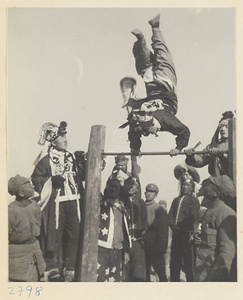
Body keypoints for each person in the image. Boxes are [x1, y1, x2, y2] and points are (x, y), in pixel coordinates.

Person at [120, 14, 190, 157]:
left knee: (152, 62)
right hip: (163, 87)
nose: (153, 133)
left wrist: (134, 148)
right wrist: (179, 147)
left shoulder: (150, 121)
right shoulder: (163, 119)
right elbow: (184, 131)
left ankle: (147, 36)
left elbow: (184, 131)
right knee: (154, 61)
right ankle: (148, 34)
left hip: (158, 87)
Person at [31, 121, 85, 282]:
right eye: (61, 136)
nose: (65, 138)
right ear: (53, 140)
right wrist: (51, 180)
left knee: (74, 233)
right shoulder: (45, 160)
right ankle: (53, 268)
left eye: (65, 134)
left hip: (73, 200)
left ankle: (70, 268)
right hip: (56, 203)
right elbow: (35, 179)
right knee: (54, 234)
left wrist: (83, 163)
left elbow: (79, 176)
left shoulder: (71, 156)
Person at [193, 175, 236, 282]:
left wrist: (215, 279)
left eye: (210, 184)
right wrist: (198, 240)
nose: (206, 186)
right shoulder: (210, 210)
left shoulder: (225, 213)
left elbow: (227, 252)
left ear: (217, 193)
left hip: (212, 275)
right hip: (202, 271)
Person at [8, 175, 46, 282]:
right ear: (21, 193)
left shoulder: (34, 206)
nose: (32, 186)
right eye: (28, 185)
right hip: (18, 262)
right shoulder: (10, 211)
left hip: (36, 257)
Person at [97, 178, 130, 282]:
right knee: (101, 278)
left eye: (116, 187)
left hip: (118, 249)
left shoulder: (123, 206)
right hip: (102, 247)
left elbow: (125, 230)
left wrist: (126, 251)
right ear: (106, 188)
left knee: (115, 280)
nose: (114, 189)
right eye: (111, 186)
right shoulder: (101, 203)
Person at [169, 178, 200, 282]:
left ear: (192, 188)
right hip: (176, 235)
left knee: (189, 263)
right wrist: (174, 227)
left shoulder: (194, 200)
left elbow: (193, 217)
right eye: (184, 185)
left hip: (187, 235)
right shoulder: (176, 200)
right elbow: (170, 216)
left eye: (188, 185)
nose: (185, 187)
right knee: (174, 262)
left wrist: (181, 228)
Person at [185, 111, 234, 177]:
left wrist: (221, 155)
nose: (222, 129)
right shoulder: (214, 145)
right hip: (217, 181)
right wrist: (191, 156)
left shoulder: (239, 145)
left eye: (226, 126)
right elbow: (202, 159)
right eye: (221, 126)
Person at [121, 177, 147, 281]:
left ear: (137, 188)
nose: (131, 187)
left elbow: (144, 221)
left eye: (134, 185)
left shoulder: (140, 202)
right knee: (124, 272)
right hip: (124, 242)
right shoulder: (121, 201)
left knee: (138, 272)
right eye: (128, 184)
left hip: (137, 242)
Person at [144, 184, 168, 282]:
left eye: (152, 192)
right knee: (144, 270)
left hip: (155, 244)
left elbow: (163, 230)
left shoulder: (159, 209)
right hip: (144, 243)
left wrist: (161, 247)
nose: (149, 194)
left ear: (156, 195)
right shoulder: (142, 205)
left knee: (160, 270)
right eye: (148, 191)